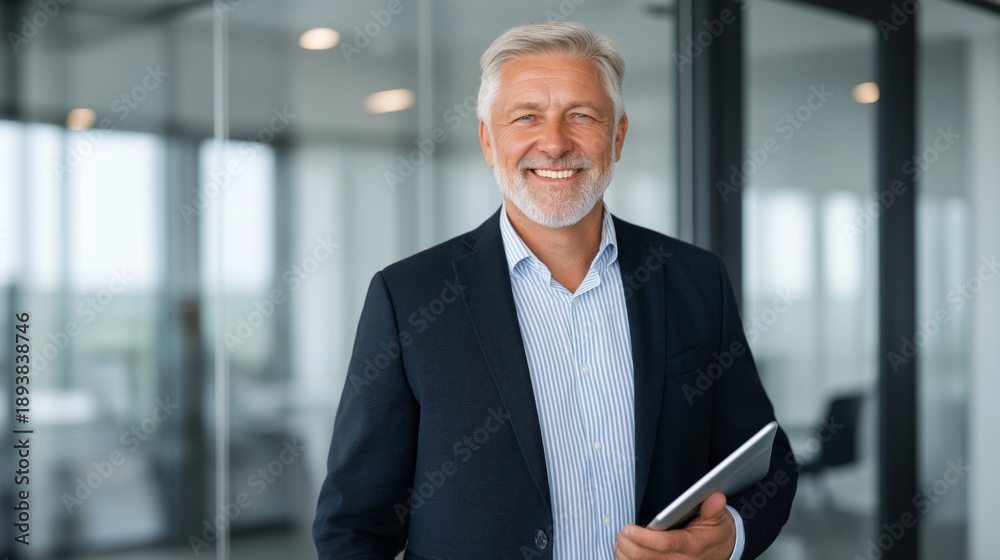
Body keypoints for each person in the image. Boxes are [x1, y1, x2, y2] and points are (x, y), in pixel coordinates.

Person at [313, 21, 796, 560]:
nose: (555, 143)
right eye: (526, 117)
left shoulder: (693, 278)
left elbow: (767, 463)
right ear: (487, 141)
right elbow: (354, 522)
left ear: (617, 136)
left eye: (581, 116)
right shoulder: (409, 298)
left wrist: (730, 535)